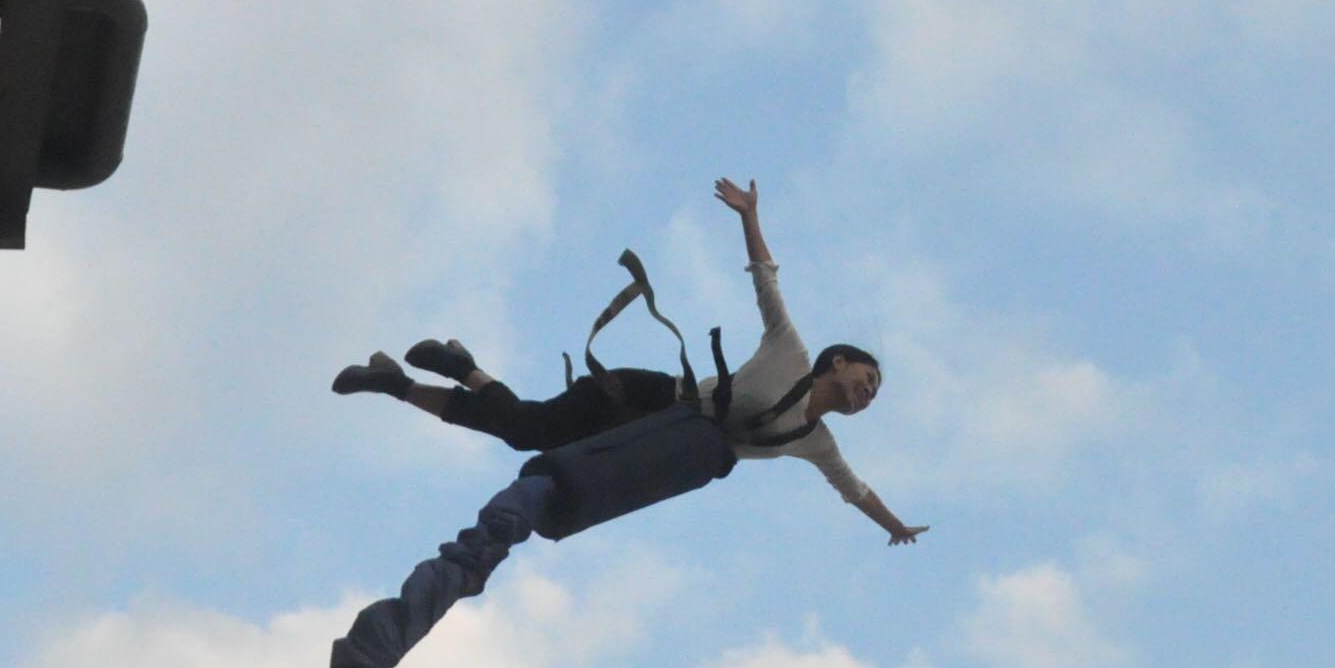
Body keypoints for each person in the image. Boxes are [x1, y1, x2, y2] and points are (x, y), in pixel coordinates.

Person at [336, 178, 930, 545]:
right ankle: (461, 367)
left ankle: (397, 385)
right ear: (840, 362)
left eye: (873, 394)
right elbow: (767, 282)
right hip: (646, 399)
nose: (866, 393)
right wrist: (749, 216)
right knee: (529, 429)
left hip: (651, 442)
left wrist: (895, 527)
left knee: (523, 434)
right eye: (866, 379)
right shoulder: (790, 352)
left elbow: (855, 490)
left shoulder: (816, 441)